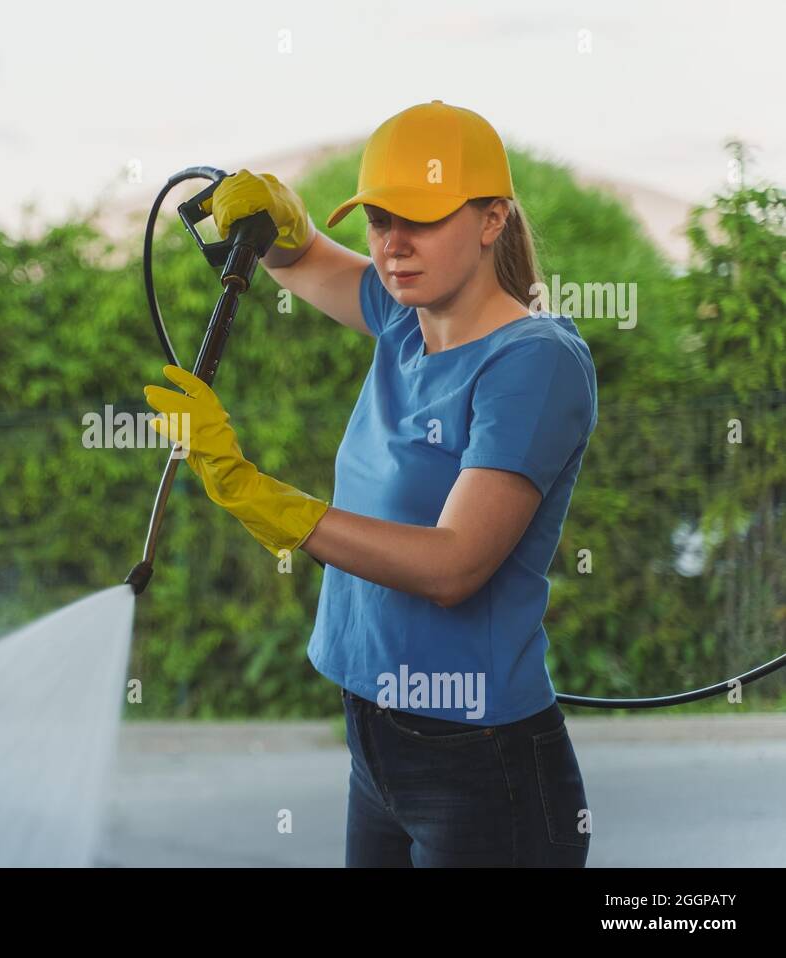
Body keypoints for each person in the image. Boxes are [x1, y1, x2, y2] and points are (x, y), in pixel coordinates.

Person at [143, 99, 596, 867]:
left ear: (492, 220)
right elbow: (301, 256)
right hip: (376, 743)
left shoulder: (535, 362)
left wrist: (258, 494)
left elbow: (454, 567)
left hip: (482, 767)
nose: (393, 245)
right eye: (381, 219)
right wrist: (278, 220)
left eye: (420, 218)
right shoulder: (402, 319)